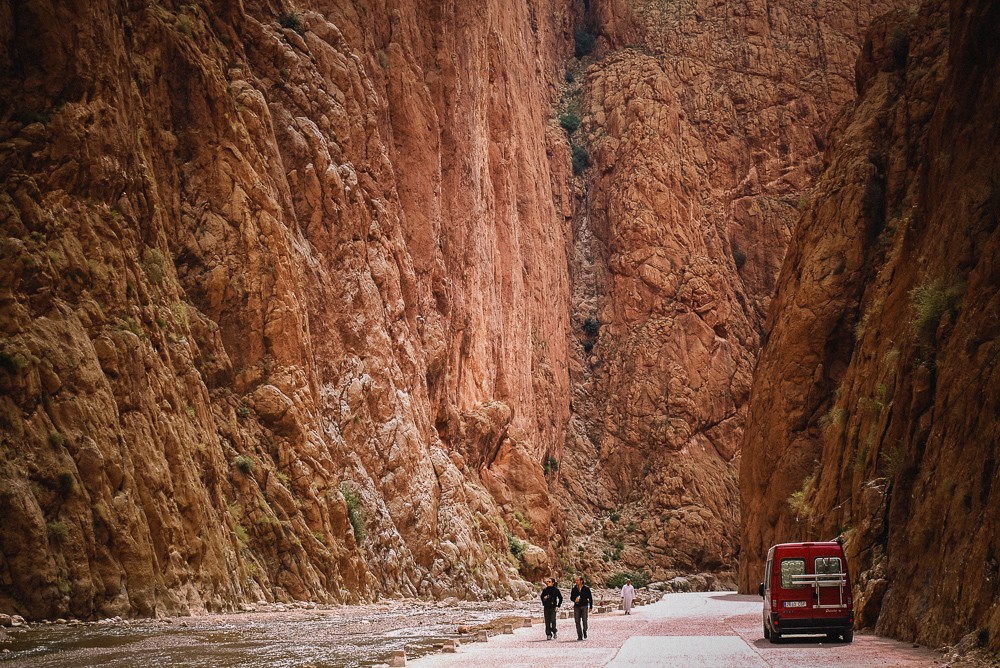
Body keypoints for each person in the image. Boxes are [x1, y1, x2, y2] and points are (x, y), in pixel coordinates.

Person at [570, 575, 593, 640]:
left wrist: (591, 606)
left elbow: (590, 598)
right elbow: (571, 597)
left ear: (581, 581)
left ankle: (584, 630)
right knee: (577, 621)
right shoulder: (574, 589)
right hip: (576, 606)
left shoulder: (586, 588)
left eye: (577, 580)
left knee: (584, 620)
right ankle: (579, 636)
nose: (576, 581)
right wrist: (575, 599)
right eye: (576, 580)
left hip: (584, 606)